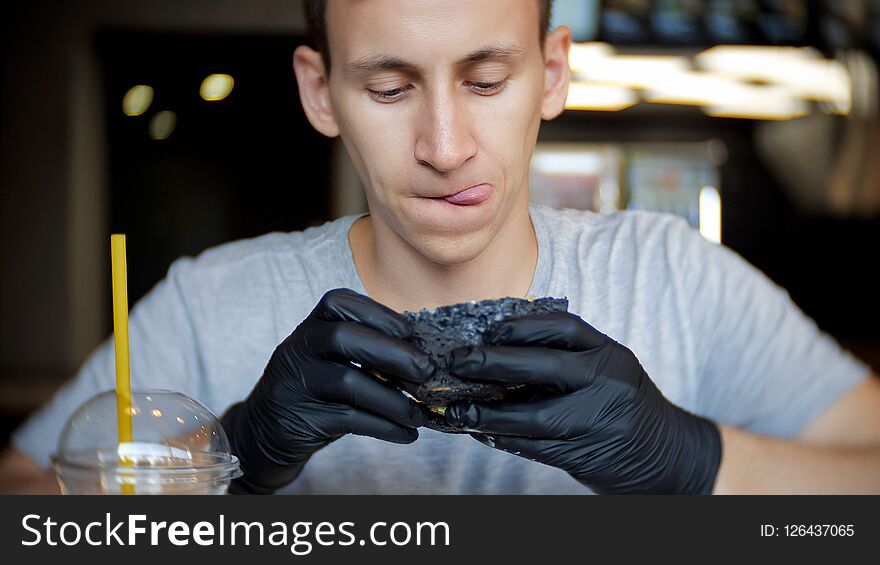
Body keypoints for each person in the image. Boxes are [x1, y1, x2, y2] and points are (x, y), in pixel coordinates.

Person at [2, 0, 879, 495]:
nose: (446, 143)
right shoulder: (209, 302)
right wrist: (226, 453)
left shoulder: (673, 277)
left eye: (486, 80)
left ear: (555, 73)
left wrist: (695, 457)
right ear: (321, 93)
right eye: (389, 87)